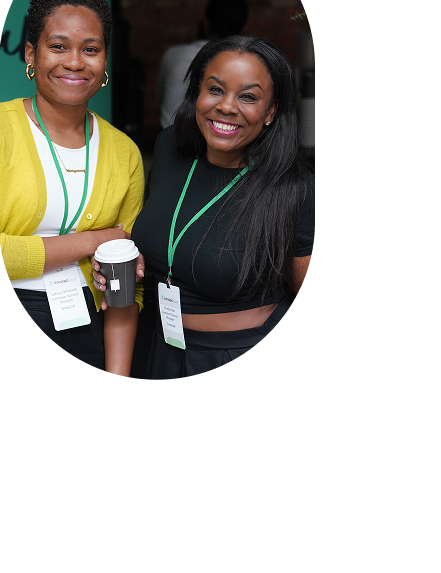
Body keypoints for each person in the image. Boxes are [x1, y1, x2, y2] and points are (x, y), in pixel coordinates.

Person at [106, 35, 321, 382]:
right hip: (161, 350)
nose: (227, 106)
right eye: (216, 89)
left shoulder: (292, 187)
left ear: (270, 112)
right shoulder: (170, 148)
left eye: (248, 97)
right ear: (197, 93)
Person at [0, 0, 145, 382]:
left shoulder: (125, 153)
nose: (76, 62)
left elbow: (125, 287)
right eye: (59, 46)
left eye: (91, 49)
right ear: (31, 54)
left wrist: (116, 386)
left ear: (105, 61)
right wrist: (95, 240)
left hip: (87, 332)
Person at [156, 0, 248, 130]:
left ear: (205, 18)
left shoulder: (173, 55)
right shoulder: (247, 64)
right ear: (244, 25)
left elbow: (160, 101)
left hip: (168, 140)